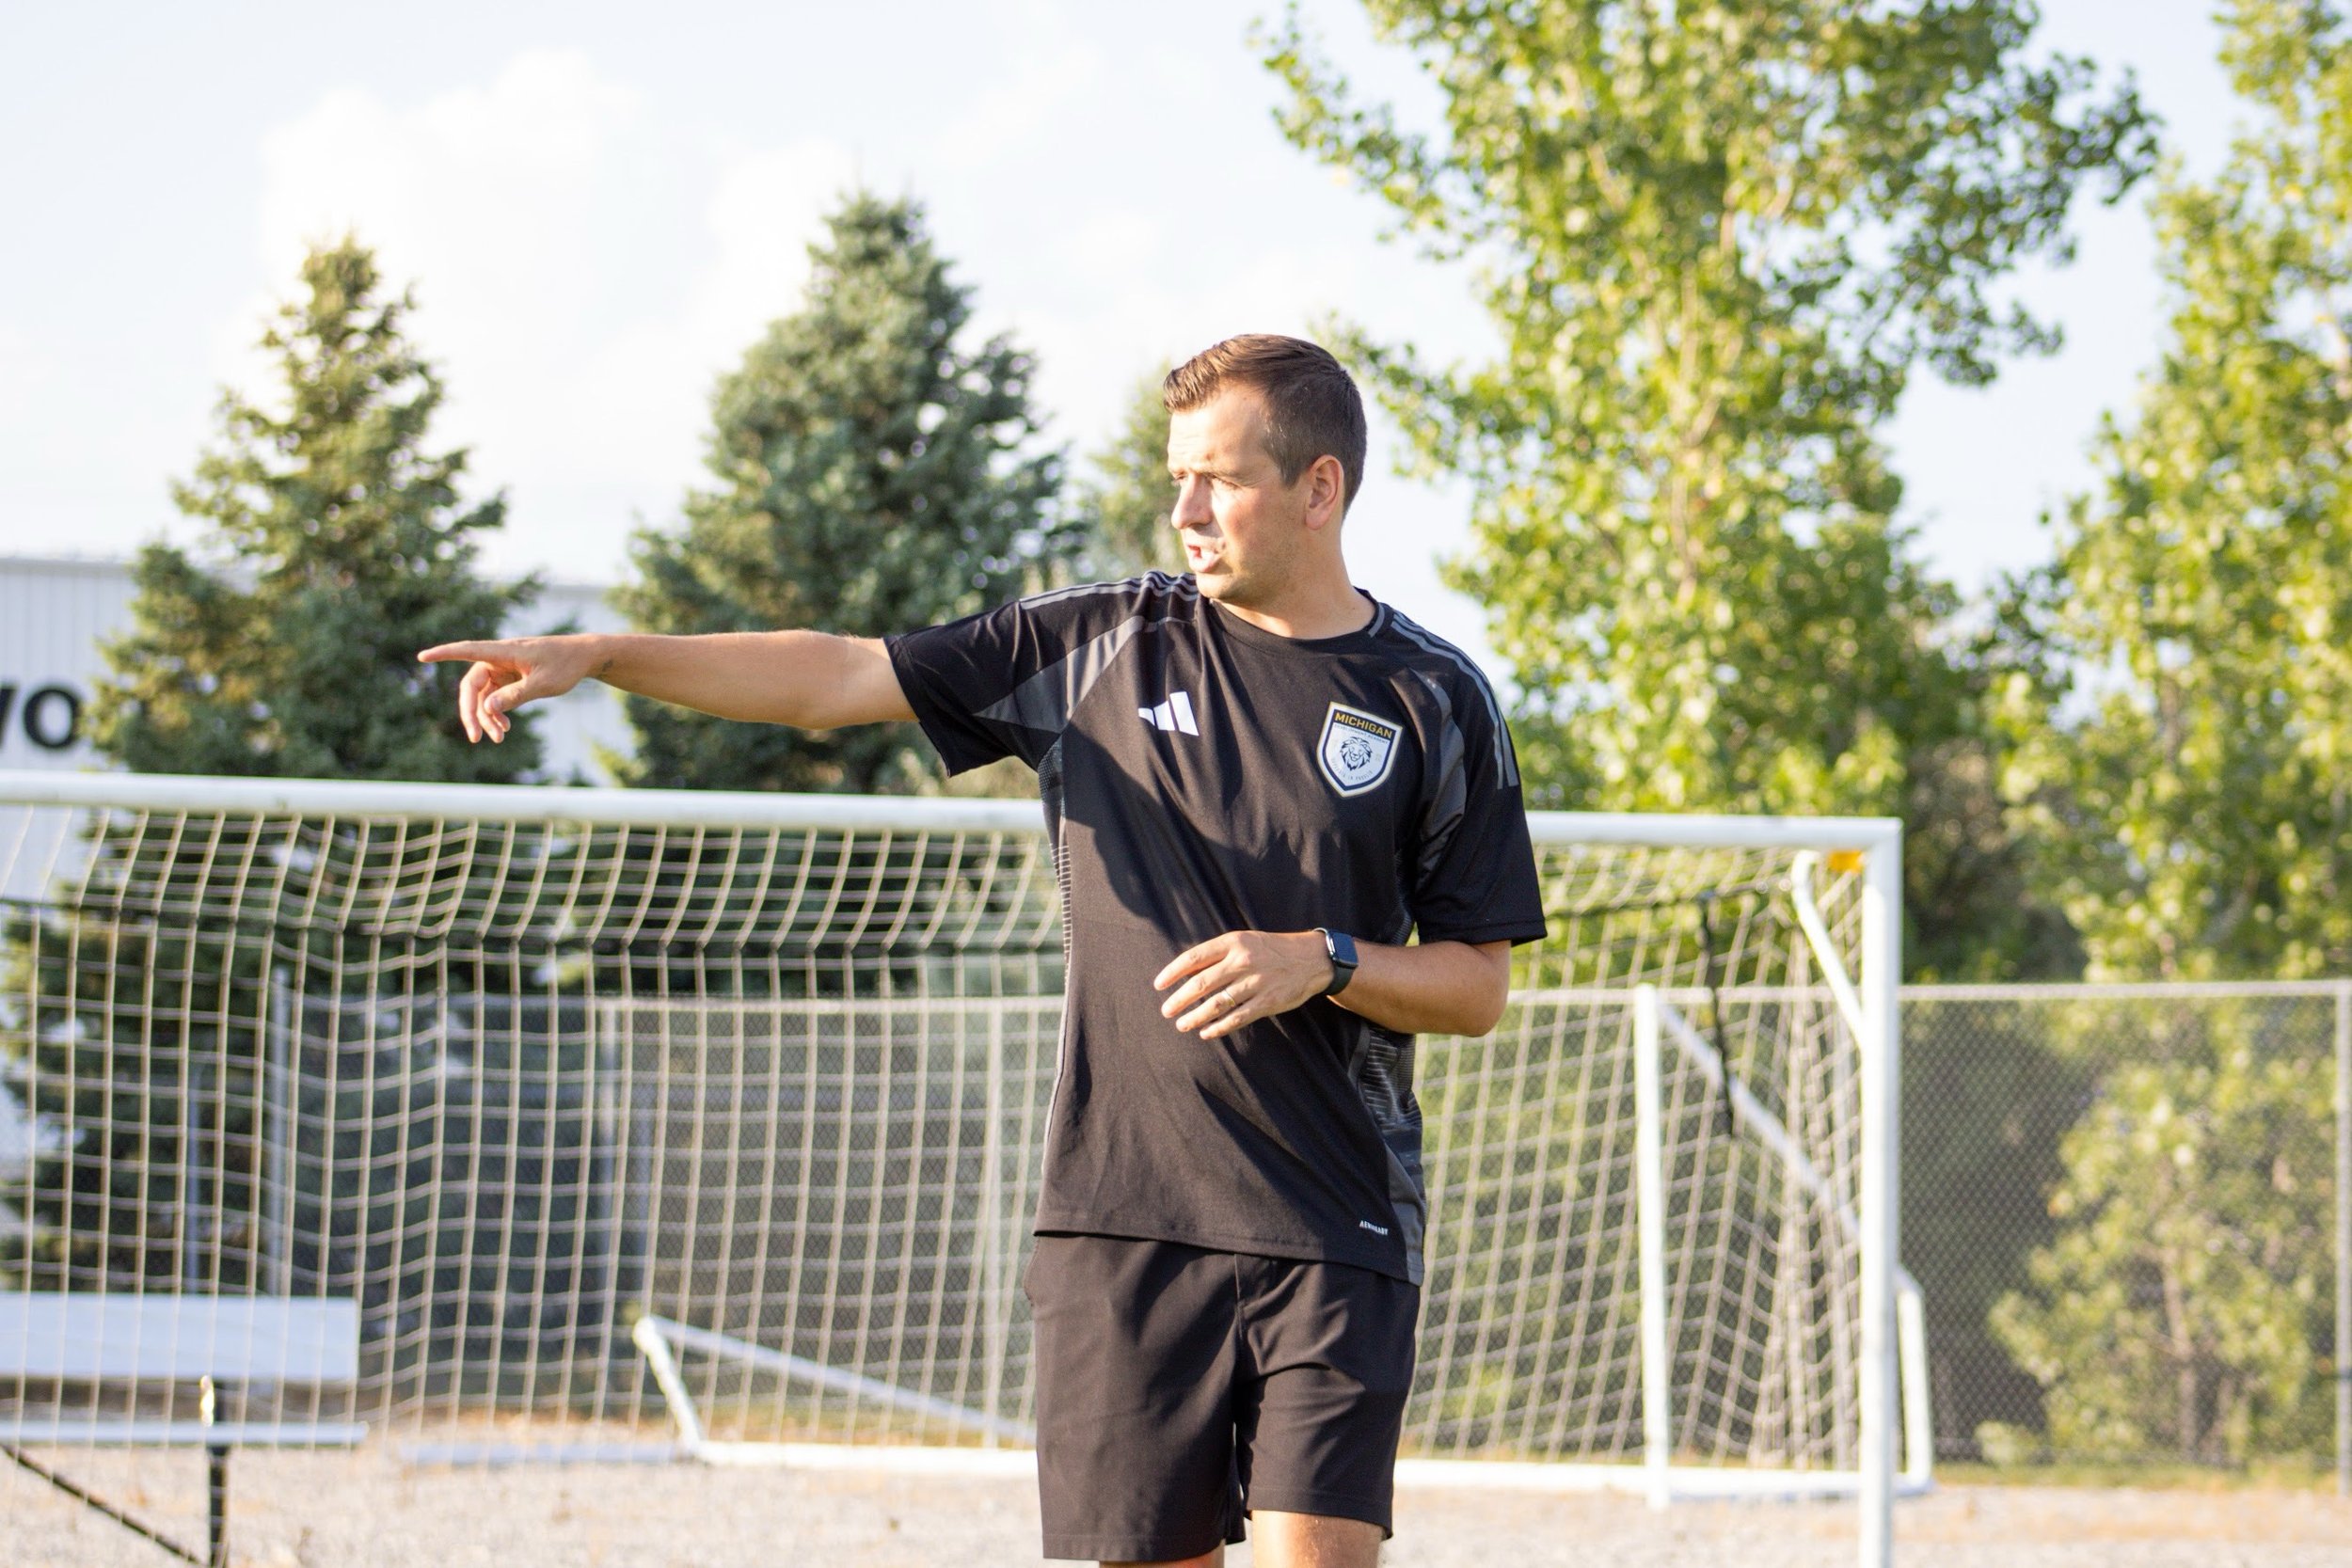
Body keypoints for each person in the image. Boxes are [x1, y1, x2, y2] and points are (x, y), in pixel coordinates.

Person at [421, 334, 1546, 1568]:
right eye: (1177, 477)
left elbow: (1476, 986)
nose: (1185, 511)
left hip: (1335, 1224)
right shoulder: (1101, 642)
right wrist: (607, 657)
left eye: (1221, 480)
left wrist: (1326, 958)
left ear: (1320, 488)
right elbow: (838, 678)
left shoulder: (1433, 697)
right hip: (1121, 1220)